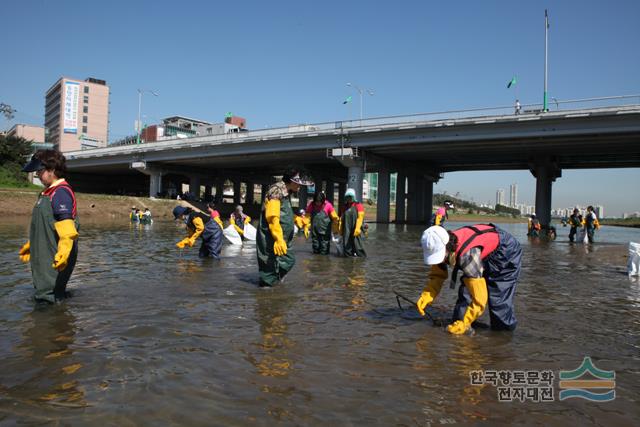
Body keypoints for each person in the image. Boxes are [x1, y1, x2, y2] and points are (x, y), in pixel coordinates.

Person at [417, 224, 522, 334]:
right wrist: (427, 296)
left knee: (498, 301)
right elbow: (438, 276)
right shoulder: (443, 247)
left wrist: (465, 323)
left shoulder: (467, 256)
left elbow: (480, 300)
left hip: (505, 252)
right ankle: (460, 324)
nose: (439, 261)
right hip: (481, 250)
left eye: (439, 256)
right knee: (464, 298)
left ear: (447, 248)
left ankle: (504, 335)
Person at [18, 150, 79, 303]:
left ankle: (52, 323)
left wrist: (64, 249)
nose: (37, 174)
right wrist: (33, 244)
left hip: (56, 255)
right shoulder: (46, 193)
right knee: (46, 291)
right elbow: (46, 225)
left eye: (40, 170)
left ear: (52, 170)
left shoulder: (60, 192)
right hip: (45, 252)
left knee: (48, 297)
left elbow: (66, 225)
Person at [256, 168, 313, 287]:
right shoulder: (276, 190)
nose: (300, 186)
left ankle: (274, 281)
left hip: (283, 236)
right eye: (299, 183)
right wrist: (278, 238)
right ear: (292, 181)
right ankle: (267, 290)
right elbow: (273, 217)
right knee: (268, 261)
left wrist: (295, 219)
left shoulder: (287, 191)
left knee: (288, 260)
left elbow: (283, 211)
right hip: (270, 235)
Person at [339, 188, 366, 257]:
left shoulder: (358, 206)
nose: (349, 199)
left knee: (358, 246)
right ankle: (348, 262)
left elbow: (360, 218)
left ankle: (361, 259)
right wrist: (340, 229)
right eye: (348, 197)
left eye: (350, 197)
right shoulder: (344, 207)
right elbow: (341, 219)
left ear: (353, 197)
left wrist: (357, 229)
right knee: (347, 246)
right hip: (346, 230)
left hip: (356, 230)